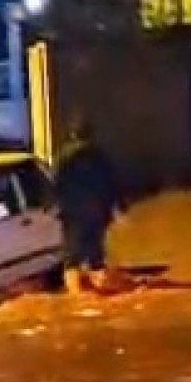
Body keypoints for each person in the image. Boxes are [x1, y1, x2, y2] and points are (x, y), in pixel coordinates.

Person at [55, 117, 121, 294]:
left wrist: (58, 207)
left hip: (74, 214)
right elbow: (112, 184)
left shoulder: (64, 157)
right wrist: (116, 208)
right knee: (95, 254)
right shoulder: (99, 157)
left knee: (72, 257)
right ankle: (101, 293)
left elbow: (57, 185)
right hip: (96, 213)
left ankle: (77, 299)